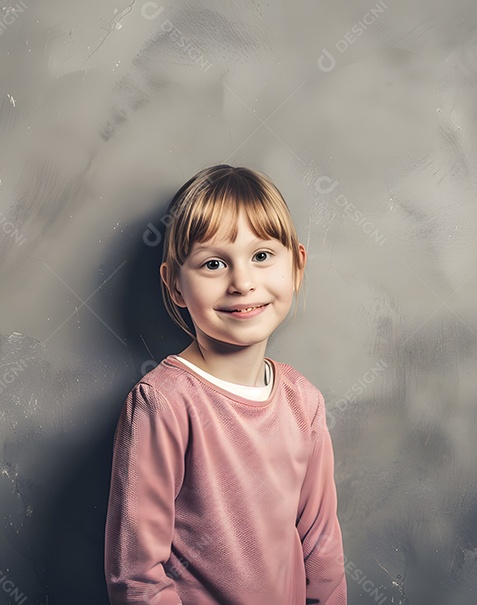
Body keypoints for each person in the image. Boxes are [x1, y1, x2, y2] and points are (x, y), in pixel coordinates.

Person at [105, 164, 347, 604]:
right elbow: (137, 577)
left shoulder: (304, 402)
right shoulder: (164, 403)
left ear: (296, 265)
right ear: (175, 285)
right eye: (214, 263)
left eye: (261, 256)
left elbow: (322, 550)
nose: (242, 282)